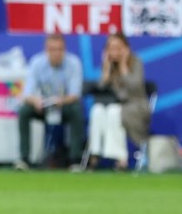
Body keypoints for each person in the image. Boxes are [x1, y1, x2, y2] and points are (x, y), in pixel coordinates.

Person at [15, 34, 84, 171]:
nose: (56, 53)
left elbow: (75, 94)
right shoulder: (37, 63)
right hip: (43, 106)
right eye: (52, 49)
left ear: (64, 50)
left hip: (64, 105)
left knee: (77, 110)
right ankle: (24, 159)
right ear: (46, 50)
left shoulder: (73, 63)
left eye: (60, 49)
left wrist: (61, 100)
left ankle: (75, 159)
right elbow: (27, 93)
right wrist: (36, 101)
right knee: (24, 111)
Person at [85, 33, 150, 171]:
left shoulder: (136, 62)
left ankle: (120, 158)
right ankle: (95, 154)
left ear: (126, 49)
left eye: (118, 48)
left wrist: (123, 66)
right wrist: (107, 71)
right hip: (113, 107)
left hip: (135, 107)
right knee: (97, 110)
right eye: (111, 48)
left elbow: (136, 88)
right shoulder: (108, 65)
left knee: (114, 112)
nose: (114, 51)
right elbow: (101, 88)